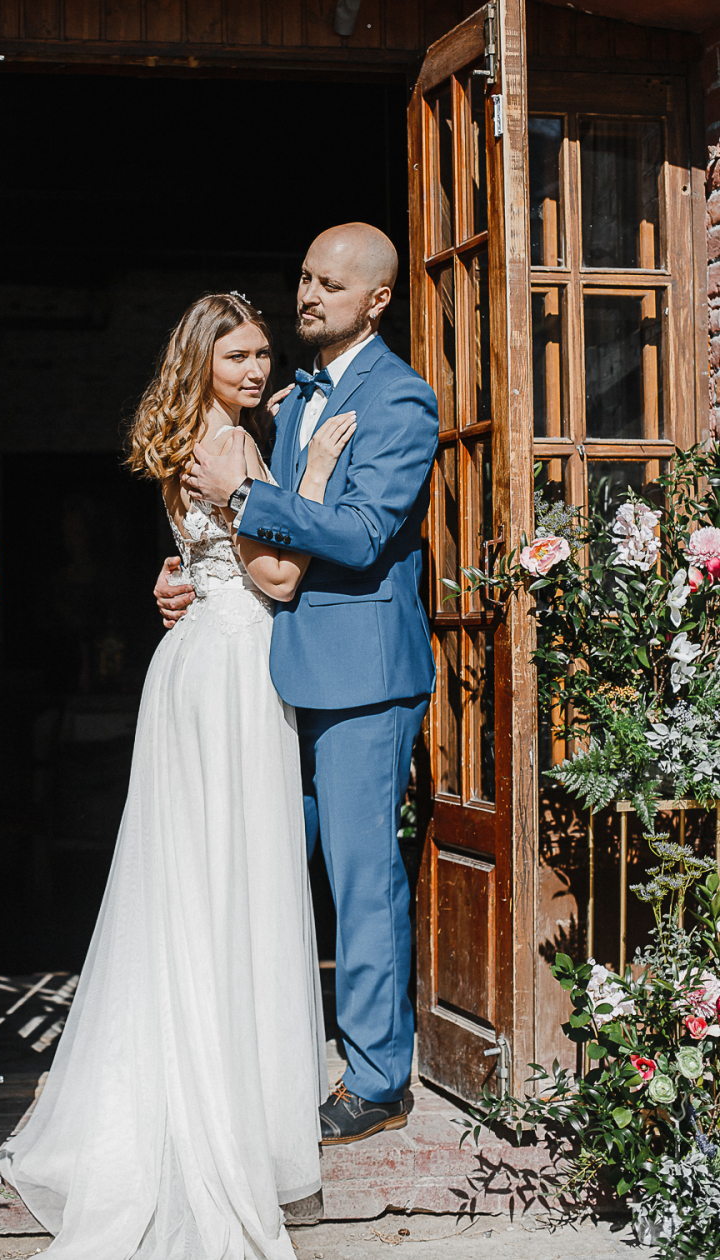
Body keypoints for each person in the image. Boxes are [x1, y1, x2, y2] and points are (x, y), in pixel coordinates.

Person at [0, 292, 358, 1259]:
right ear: (203, 360)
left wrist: (181, 575)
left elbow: (197, 560)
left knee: (190, 883)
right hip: (234, 667)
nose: (256, 369)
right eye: (238, 355)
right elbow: (278, 578)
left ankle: (187, 1071)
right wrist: (314, 475)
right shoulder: (231, 443)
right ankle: (230, 1100)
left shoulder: (184, 438)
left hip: (191, 661)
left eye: (262, 354)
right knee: (235, 878)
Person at [164, 223, 438, 1145]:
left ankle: (378, 1080)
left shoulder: (401, 399)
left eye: (330, 284)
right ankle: (257, 1049)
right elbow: (254, 545)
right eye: (306, 278)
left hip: (362, 676)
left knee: (362, 882)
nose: (309, 295)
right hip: (273, 671)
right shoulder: (289, 400)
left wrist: (245, 498)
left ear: (377, 300)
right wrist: (187, 574)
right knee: (268, 869)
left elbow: (358, 534)